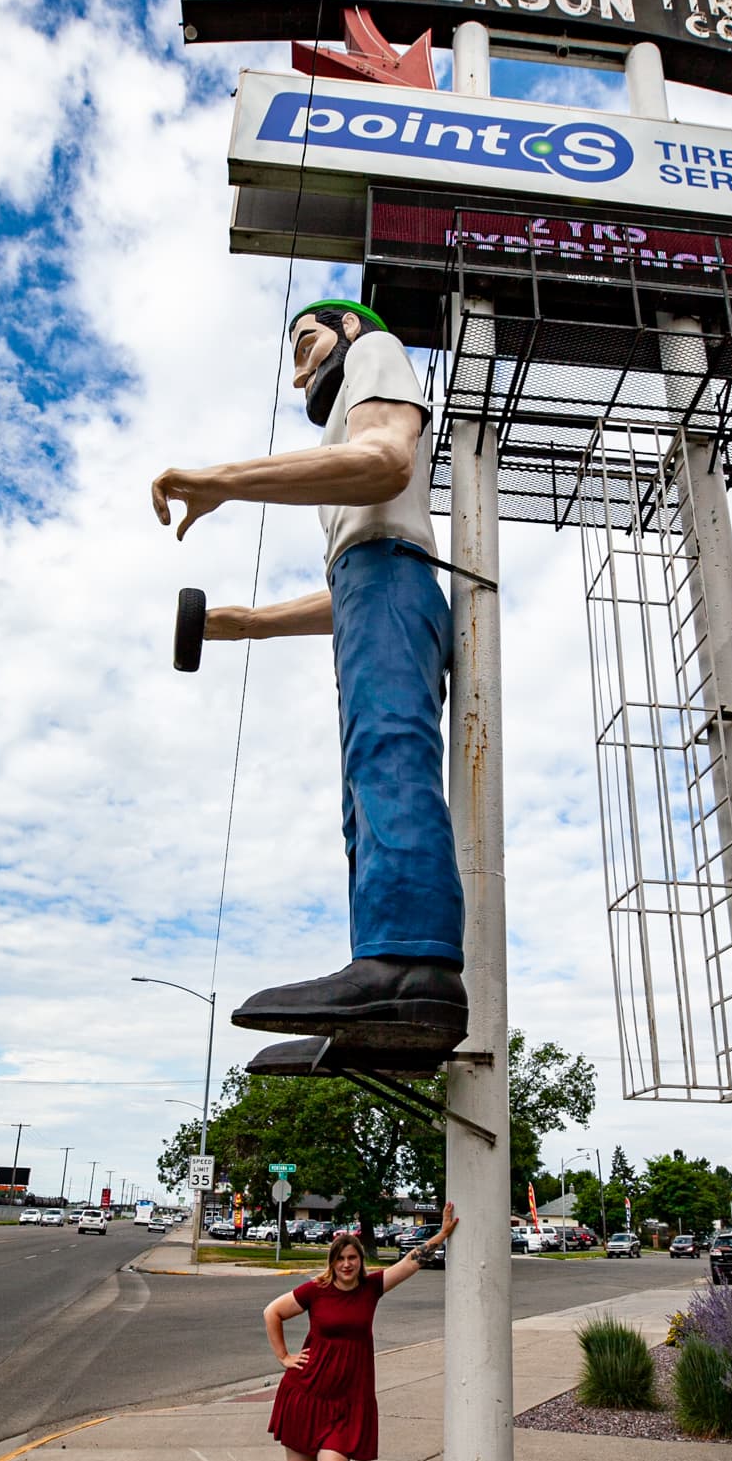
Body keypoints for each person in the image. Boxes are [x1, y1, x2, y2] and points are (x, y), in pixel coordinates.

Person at [151, 300, 467, 1056]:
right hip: (373, 585)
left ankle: (410, 965)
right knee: (366, 787)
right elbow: (368, 562)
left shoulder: (376, 351)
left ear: (348, 329)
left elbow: (384, 463)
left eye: (306, 341)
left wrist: (225, 479)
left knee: (389, 756)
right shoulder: (347, 419)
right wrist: (251, 622)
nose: (300, 369)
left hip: (389, 582)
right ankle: (383, 971)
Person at [263, 1202, 459, 1461]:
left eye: (353, 1258)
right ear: (333, 1262)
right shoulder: (315, 1292)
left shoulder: (371, 1290)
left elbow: (410, 1261)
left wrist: (438, 1236)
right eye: (341, 1258)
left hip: (348, 1400)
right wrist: (284, 1358)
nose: (348, 1264)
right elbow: (272, 1312)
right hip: (306, 1393)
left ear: (360, 1261)